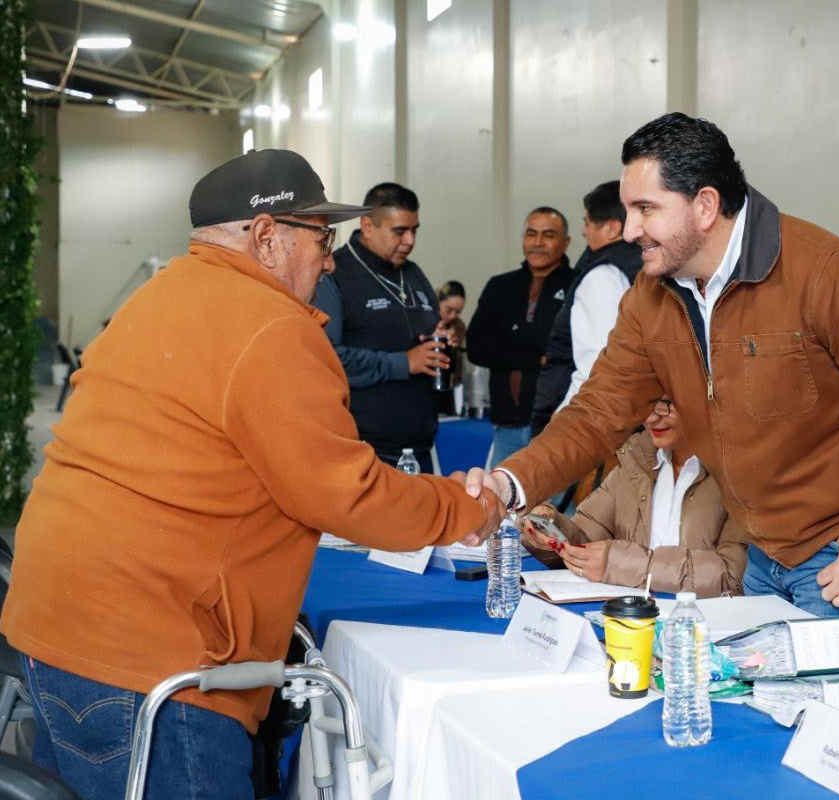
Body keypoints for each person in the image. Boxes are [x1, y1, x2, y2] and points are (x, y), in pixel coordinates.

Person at [0, 149, 501, 799]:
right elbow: (344, 493)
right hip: (155, 663)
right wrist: (467, 509)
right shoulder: (269, 327)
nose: (328, 259)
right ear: (267, 238)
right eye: (321, 238)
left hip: (58, 630)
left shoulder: (157, 299)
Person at [466, 112, 839, 619]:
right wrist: (506, 485)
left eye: (645, 209)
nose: (629, 231)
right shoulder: (651, 297)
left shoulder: (827, 273)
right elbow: (596, 412)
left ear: (704, 205)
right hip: (760, 561)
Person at [522, 397, 744, 597]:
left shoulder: (741, 474)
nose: (652, 416)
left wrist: (622, 565)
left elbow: (731, 576)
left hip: (700, 630)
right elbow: (586, 539)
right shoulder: (635, 459)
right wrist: (551, 531)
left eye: (666, 404)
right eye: (647, 403)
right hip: (631, 619)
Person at [313, 183, 450, 473]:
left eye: (415, 230)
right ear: (367, 225)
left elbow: (425, 337)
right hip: (364, 449)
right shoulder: (334, 274)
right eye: (400, 231)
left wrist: (443, 340)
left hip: (420, 446)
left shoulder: (413, 274)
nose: (410, 241)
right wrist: (404, 363)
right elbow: (326, 360)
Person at [530, 181, 642, 437]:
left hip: (589, 425)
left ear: (612, 228)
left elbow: (596, 363)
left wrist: (562, 425)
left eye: (588, 223)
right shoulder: (642, 266)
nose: (584, 232)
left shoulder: (603, 276)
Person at [467, 207, 574, 465]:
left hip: (557, 427)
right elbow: (476, 347)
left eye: (548, 235)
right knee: (502, 504)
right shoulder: (500, 286)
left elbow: (569, 353)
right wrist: (535, 356)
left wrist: (509, 344)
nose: (537, 243)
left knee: (555, 506)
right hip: (507, 426)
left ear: (566, 242)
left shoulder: (577, 285)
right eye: (531, 234)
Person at [436, 280, 468, 415]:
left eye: (458, 312)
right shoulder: (423, 321)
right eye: (449, 310)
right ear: (437, 302)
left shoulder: (458, 326)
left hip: (449, 386)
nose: (453, 316)